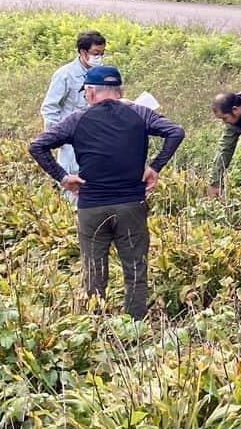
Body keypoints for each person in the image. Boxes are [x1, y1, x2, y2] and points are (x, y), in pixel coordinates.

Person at [29, 65, 185, 320]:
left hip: (92, 206)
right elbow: (175, 131)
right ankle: (135, 324)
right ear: (121, 90)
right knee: (135, 267)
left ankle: (95, 323)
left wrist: (63, 177)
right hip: (131, 203)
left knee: (94, 267)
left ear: (90, 92)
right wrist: (155, 168)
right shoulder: (140, 113)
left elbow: (37, 146)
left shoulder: (77, 119)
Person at [40, 29, 107, 190]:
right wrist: (56, 137)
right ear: (83, 52)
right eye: (95, 53)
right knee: (73, 185)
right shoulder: (65, 75)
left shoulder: (102, 74)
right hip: (71, 141)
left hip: (97, 138)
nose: (99, 58)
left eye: (102, 53)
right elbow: (50, 108)